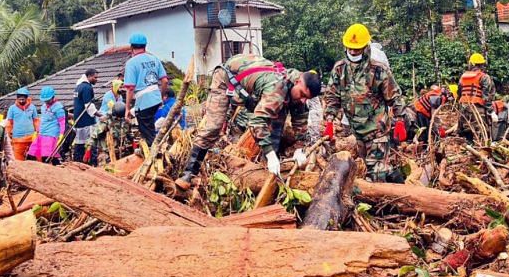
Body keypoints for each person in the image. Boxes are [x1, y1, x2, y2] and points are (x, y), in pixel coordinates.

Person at [176, 54, 321, 190]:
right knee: (214, 126)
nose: (302, 100)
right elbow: (256, 122)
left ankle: (267, 172)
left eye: (307, 98)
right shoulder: (277, 89)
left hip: (252, 85)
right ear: (297, 82)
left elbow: (300, 126)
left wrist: (300, 149)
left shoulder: (298, 95)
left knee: (276, 125)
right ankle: (189, 173)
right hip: (227, 77)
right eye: (302, 94)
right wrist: (271, 155)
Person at [323, 24, 406, 183]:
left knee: (375, 176)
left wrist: (401, 119)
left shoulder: (378, 70)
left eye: (357, 49)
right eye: (350, 48)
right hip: (357, 132)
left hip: (377, 130)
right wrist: (329, 119)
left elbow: (394, 96)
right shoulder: (340, 70)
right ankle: (395, 180)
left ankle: (385, 203)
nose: (353, 52)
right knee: (369, 167)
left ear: (366, 47)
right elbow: (332, 96)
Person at [123, 33, 168, 146]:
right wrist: (161, 96)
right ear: (145, 46)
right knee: (150, 128)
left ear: (132, 47)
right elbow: (165, 81)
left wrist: (127, 108)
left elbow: (130, 88)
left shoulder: (131, 63)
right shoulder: (154, 59)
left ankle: (154, 155)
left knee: (147, 135)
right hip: (156, 99)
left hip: (144, 103)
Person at [458, 53, 496, 143]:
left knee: (467, 129)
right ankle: (484, 148)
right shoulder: (484, 77)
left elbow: (459, 92)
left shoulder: (463, 77)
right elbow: (486, 96)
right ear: (482, 65)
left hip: (464, 107)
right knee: (482, 129)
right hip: (477, 107)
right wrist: (491, 111)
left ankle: (469, 145)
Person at [27, 86, 66, 164]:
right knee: (33, 152)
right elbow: (42, 119)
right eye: (45, 100)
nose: (46, 102)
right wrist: (37, 131)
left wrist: (61, 134)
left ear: (53, 97)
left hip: (51, 134)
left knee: (49, 154)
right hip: (42, 133)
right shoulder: (43, 107)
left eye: (48, 100)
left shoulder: (59, 108)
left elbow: (62, 122)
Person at [73, 68, 102, 164]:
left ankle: (77, 162)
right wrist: (100, 115)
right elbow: (89, 106)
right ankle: (93, 164)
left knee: (79, 143)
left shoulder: (78, 86)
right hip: (86, 120)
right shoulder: (86, 88)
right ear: (89, 76)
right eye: (95, 77)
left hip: (78, 120)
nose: (97, 79)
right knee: (91, 143)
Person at [6, 87, 39, 161]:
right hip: (18, 138)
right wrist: (8, 136)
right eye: (19, 99)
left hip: (31, 137)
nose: (21, 101)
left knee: (36, 158)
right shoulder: (12, 108)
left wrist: (38, 131)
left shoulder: (32, 107)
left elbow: (36, 120)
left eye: (23, 99)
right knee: (18, 160)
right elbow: (9, 123)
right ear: (17, 99)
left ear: (27, 98)